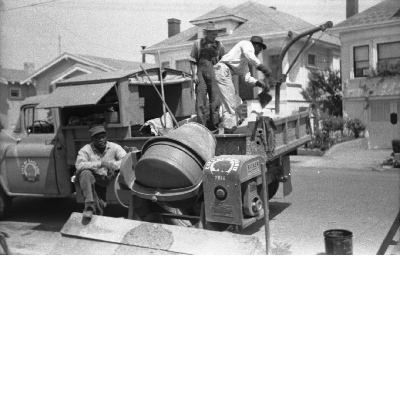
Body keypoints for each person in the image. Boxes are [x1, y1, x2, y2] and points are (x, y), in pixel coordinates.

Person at [214, 35, 271, 133]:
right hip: (223, 70)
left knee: (234, 101)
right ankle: (229, 130)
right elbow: (251, 57)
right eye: (260, 49)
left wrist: (259, 84)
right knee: (230, 102)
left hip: (224, 72)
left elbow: (247, 78)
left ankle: (230, 126)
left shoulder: (243, 62)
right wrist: (263, 68)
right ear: (256, 45)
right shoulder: (247, 44)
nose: (259, 52)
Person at [75, 125, 126, 220]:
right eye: (97, 138)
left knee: (99, 206)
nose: (101, 140)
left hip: (104, 179)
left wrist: (112, 165)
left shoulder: (114, 147)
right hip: (91, 179)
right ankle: (89, 206)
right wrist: (101, 163)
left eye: (103, 137)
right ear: (92, 139)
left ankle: (96, 218)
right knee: (85, 172)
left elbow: (125, 160)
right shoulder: (85, 150)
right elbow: (79, 165)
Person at [189, 21, 225, 131]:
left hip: (215, 75)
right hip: (200, 75)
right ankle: (202, 129)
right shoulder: (197, 44)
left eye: (216, 34)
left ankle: (213, 129)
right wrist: (194, 74)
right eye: (213, 34)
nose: (215, 36)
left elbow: (224, 63)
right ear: (207, 33)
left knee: (214, 103)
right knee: (200, 103)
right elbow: (192, 60)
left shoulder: (220, 46)